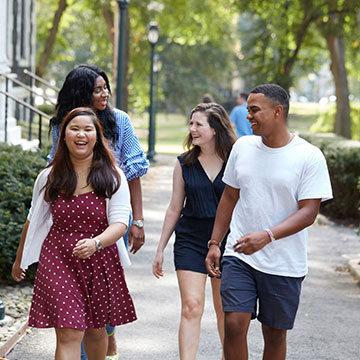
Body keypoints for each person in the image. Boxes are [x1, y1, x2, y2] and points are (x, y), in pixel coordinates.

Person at [205, 84, 333, 360]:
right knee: (234, 323)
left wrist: (267, 235)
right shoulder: (243, 147)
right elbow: (229, 196)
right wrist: (215, 242)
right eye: (247, 109)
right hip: (239, 254)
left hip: (284, 261)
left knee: (274, 334)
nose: (247, 115)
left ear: (278, 112)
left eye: (254, 110)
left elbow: (309, 211)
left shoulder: (309, 156)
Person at [12, 108, 137, 360]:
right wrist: (19, 259)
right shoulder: (49, 176)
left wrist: (96, 243)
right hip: (58, 257)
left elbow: (120, 223)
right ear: (64, 136)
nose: (81, 134)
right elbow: (33, 219)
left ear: (96, 136)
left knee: (95, 331)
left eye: (88, 129)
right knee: (68, 333)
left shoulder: (113, 177)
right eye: (74, 128)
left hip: (100, 258)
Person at [47, 64, 149, 360]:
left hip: (112, 212)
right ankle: (85, 349)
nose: (104, 94)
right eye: (97, 89)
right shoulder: (61, 125)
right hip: (73, 213)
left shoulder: (119, 120)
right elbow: (55, 167)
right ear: (81, 93)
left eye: (106, 88)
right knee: (74, 293)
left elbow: (134, 172)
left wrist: (137, 220)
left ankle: (106, 335)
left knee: (102, 284)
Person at [153, 103, 237, 359]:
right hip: (190, 239)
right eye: (191, 123)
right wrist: (160, 248)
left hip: (227, 240)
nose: (192, 129)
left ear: (215, 128)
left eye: (198, 124)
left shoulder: (236, 160)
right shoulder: (184, 163)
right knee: (191, 307)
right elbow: (174, 207)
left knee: (226, 311)